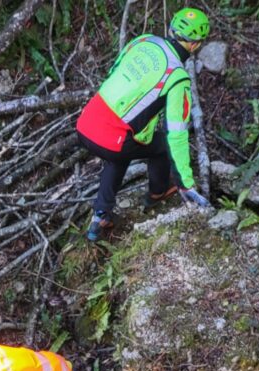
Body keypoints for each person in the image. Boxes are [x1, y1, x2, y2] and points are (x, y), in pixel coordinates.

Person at [75, 7, 212, 240]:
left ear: (170, 28)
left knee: (121, 149)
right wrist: (186, 184)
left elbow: (114, 70)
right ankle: (157, 193)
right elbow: (176, 135)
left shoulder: (144, 40)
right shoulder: (177, 77)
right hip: (111, 138)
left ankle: (100, 216)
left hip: (86, 121)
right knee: (157, 147)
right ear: (195, 45)